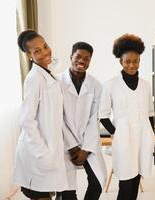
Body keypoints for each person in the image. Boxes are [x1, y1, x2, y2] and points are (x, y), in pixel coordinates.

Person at [98, 34, 155, 200]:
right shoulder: (111, 85)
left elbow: (150, 113)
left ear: (139, 61)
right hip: (123, 138)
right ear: (120, 62)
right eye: (127, 61)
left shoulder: (145, 85)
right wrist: (116, 133)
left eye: (135, 61)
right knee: (125, 182)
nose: (131, 65)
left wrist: (151, 135)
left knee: (137, 178)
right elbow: (103, 115)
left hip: (143, 137)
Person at [13, 30, 68, 200]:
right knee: (41, 195)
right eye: (37, 51)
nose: (45, 52)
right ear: (29, 56)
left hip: (48, 150)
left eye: (45, 46)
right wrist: (42, 154)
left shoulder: (47, 75)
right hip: (36, 154)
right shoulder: (34, 78)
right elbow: (27, 120)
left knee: (48, 194)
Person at [56, 42, 107, 200]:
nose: (82, 61)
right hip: (64, 143)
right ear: (70, 56)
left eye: (87, 58)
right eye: (78, 56)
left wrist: (85, 148)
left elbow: (94, 119)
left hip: (88, 142)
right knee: (67, 191)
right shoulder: (56, 82)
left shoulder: (96, 86)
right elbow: (57, 118)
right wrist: (72, 146)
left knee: (98, 181)